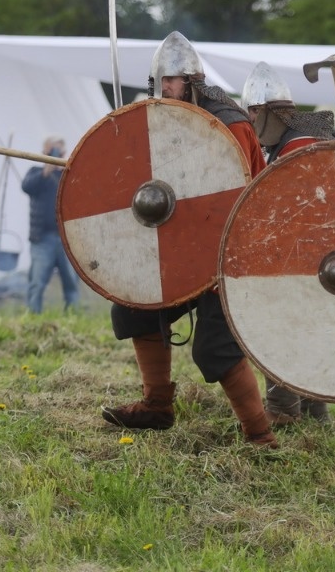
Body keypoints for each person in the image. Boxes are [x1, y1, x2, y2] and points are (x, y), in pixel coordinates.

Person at [101, 31, 277, 448]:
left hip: (233, 251)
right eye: (159, 81)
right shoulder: (165, 119)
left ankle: (261, 436)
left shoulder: (230, 123)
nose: (164, 89)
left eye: (171, 80)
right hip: (185, 244)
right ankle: (157, 405)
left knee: (214, 347)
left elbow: (231, 195)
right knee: (136, 305)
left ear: (193, 80)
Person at [239, 60, 335, 426]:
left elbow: (292, 212)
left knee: (278, 326)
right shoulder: (303, 140)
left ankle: (283, 409)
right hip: (326, 255)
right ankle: (315, 409)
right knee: (308, 329)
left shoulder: (299, 146)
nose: (251, 121)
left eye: (254, 112)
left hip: (306, 253)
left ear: (270, 111)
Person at [20, 137, 80, 314]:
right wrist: (46, 170)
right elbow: (27, 186)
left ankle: (72, 316)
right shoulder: (36, 172)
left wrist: (62, 168)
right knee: (37, 282)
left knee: (71, 282)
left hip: (67, 239)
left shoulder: (69, 175)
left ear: (64, 153)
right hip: (42, 239)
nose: (54, 154)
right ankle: (33, 316)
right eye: (50, 151)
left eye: (57, 151)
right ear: (44, 152)